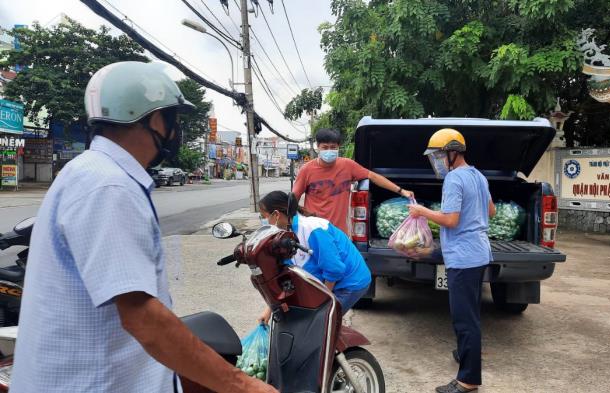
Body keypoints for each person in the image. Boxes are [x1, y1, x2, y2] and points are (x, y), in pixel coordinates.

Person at [11, 61, 276, 393]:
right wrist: (244, 386)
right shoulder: (110, 188)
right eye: (173, 120)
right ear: (153, 119)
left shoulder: (90, 172)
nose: (175, 131)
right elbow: (144, 319)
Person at [407, 128, 496, 393]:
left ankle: (468, 380)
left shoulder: (455, 179)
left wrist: (421, 211)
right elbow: (490, 210)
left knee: (463, 318)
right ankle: (467, 353)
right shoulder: (478, 175)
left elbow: (451, 220)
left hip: (463, 257)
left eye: (437, 155)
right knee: (470, 313)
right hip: (479, 252)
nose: (435, 161)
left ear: (452, 153)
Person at [256, 191, 371, 323]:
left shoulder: (313, 229)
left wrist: (322, 304)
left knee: (319, 324)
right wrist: (270, 309)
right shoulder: (283, 236)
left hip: (350, 283)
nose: (263, 221)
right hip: (326, 282)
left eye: (263, 217)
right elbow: (286, 275)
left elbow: (334, 269)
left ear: (276, 214)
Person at [293, 128, 414, 235]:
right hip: (314, 232)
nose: (329, 150)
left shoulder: (347, 165)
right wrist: (301, 219)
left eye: (333, 147)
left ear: (338, 147)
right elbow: (292, 200)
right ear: (318, 147)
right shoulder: (307, 170)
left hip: (339, 233)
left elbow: (373, 176)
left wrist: (401, 191)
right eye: (325, 147)